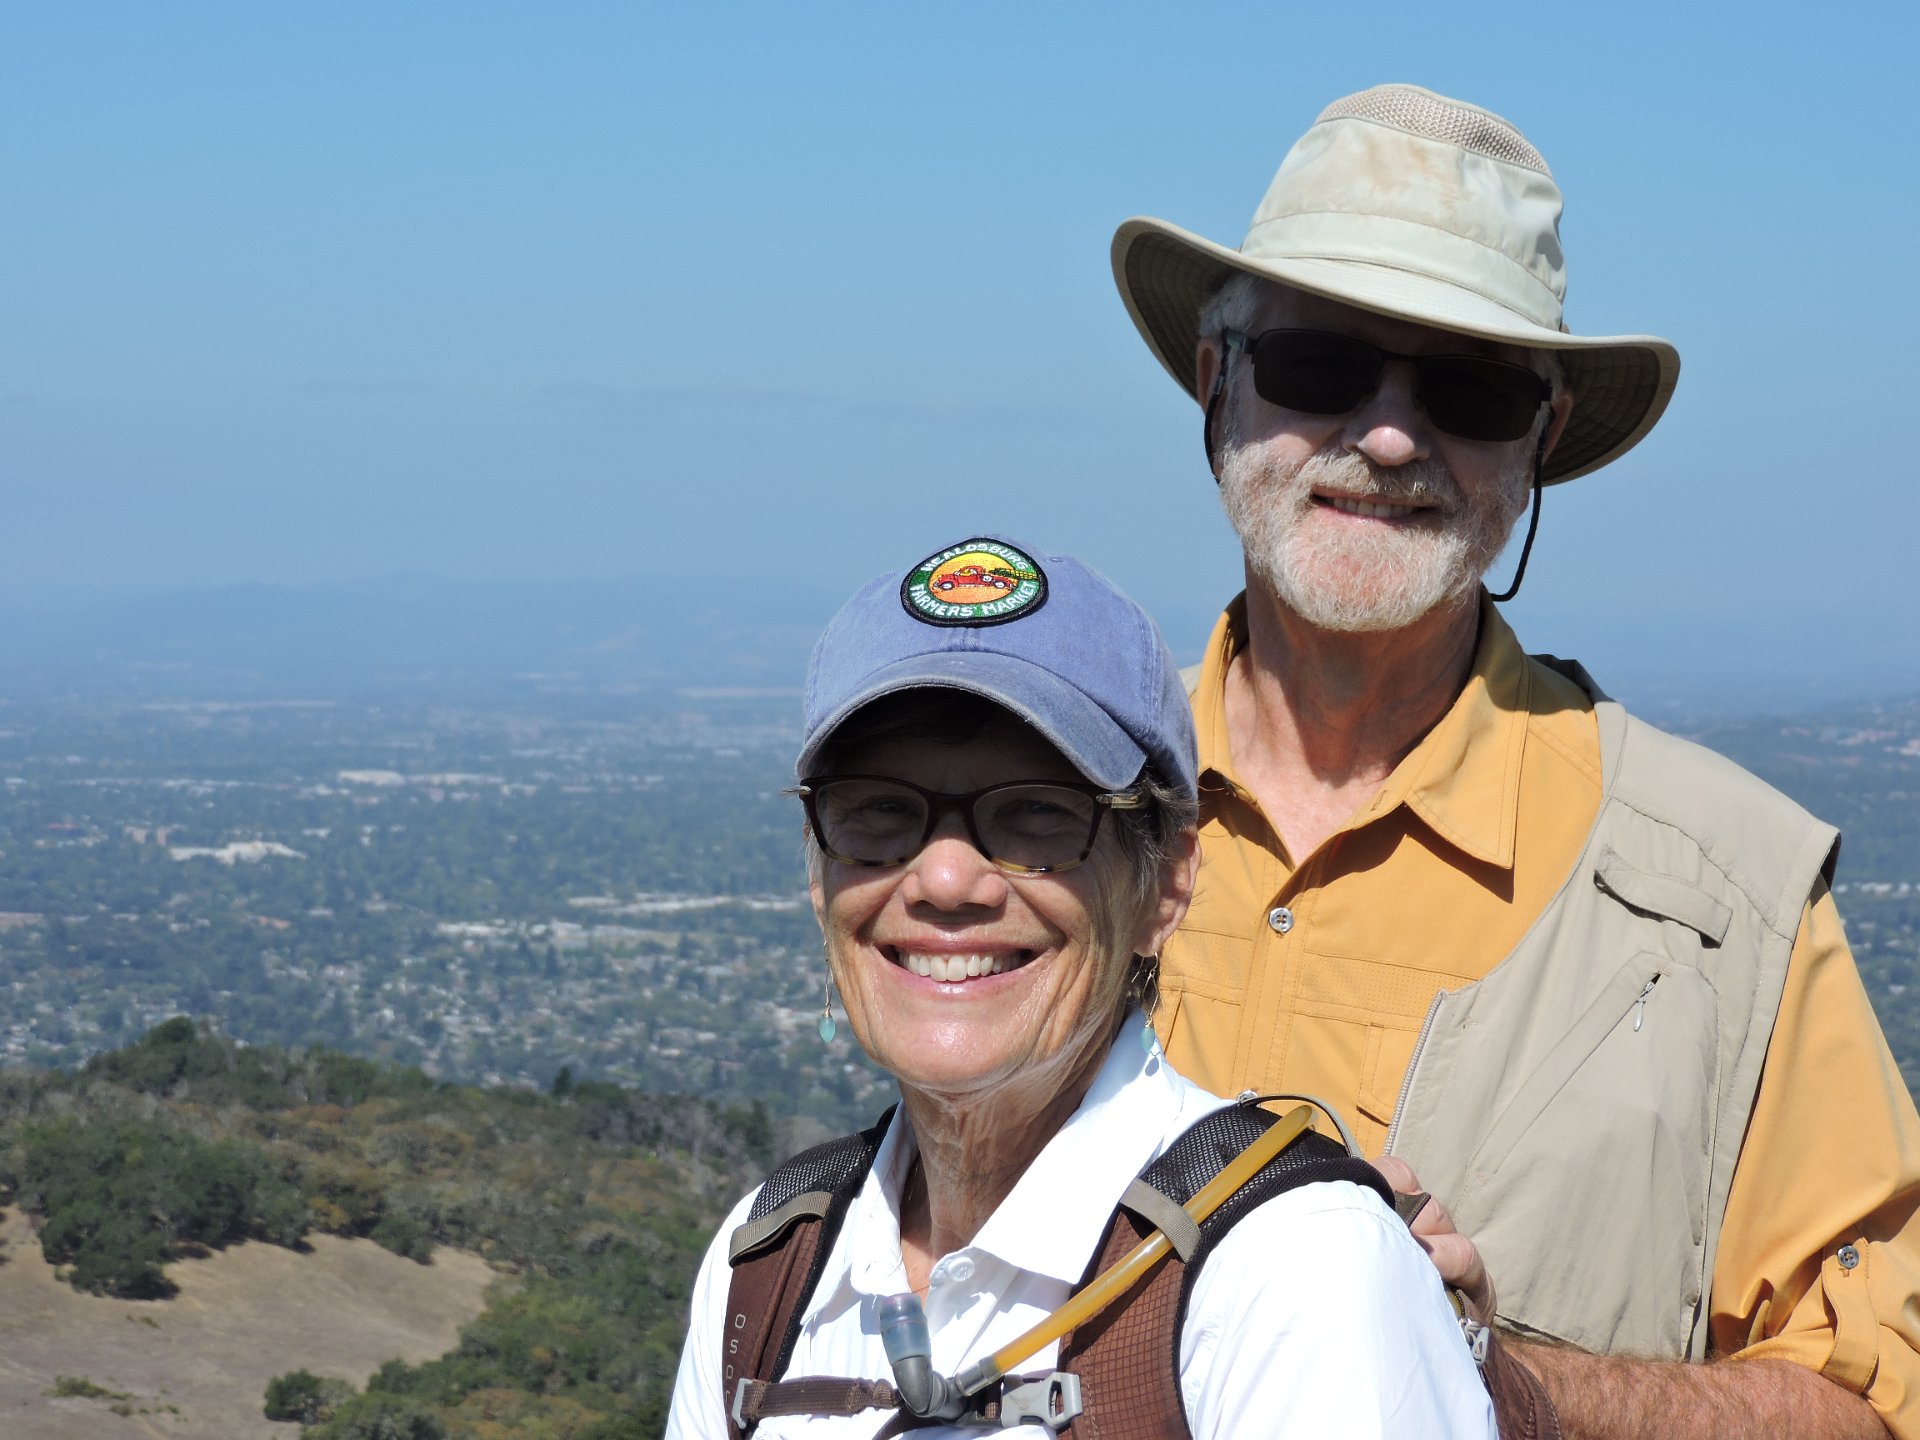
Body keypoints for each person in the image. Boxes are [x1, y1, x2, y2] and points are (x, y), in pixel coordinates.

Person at [1109, 82, 1920, 1438]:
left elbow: (1875, 1404)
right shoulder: (1051, 818)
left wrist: (1505, 1382)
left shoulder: (1730, 905)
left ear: (1537, 442)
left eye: (1469, 388)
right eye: (1318, 367)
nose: (1387, 436)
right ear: (1216, 383)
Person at [664, 536, 1496, 1438]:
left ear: (1166, 885)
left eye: (1037, 815)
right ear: (818, 877)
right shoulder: (770, 1267)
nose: (946, 879)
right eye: (879, 811)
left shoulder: (1294, 1271)